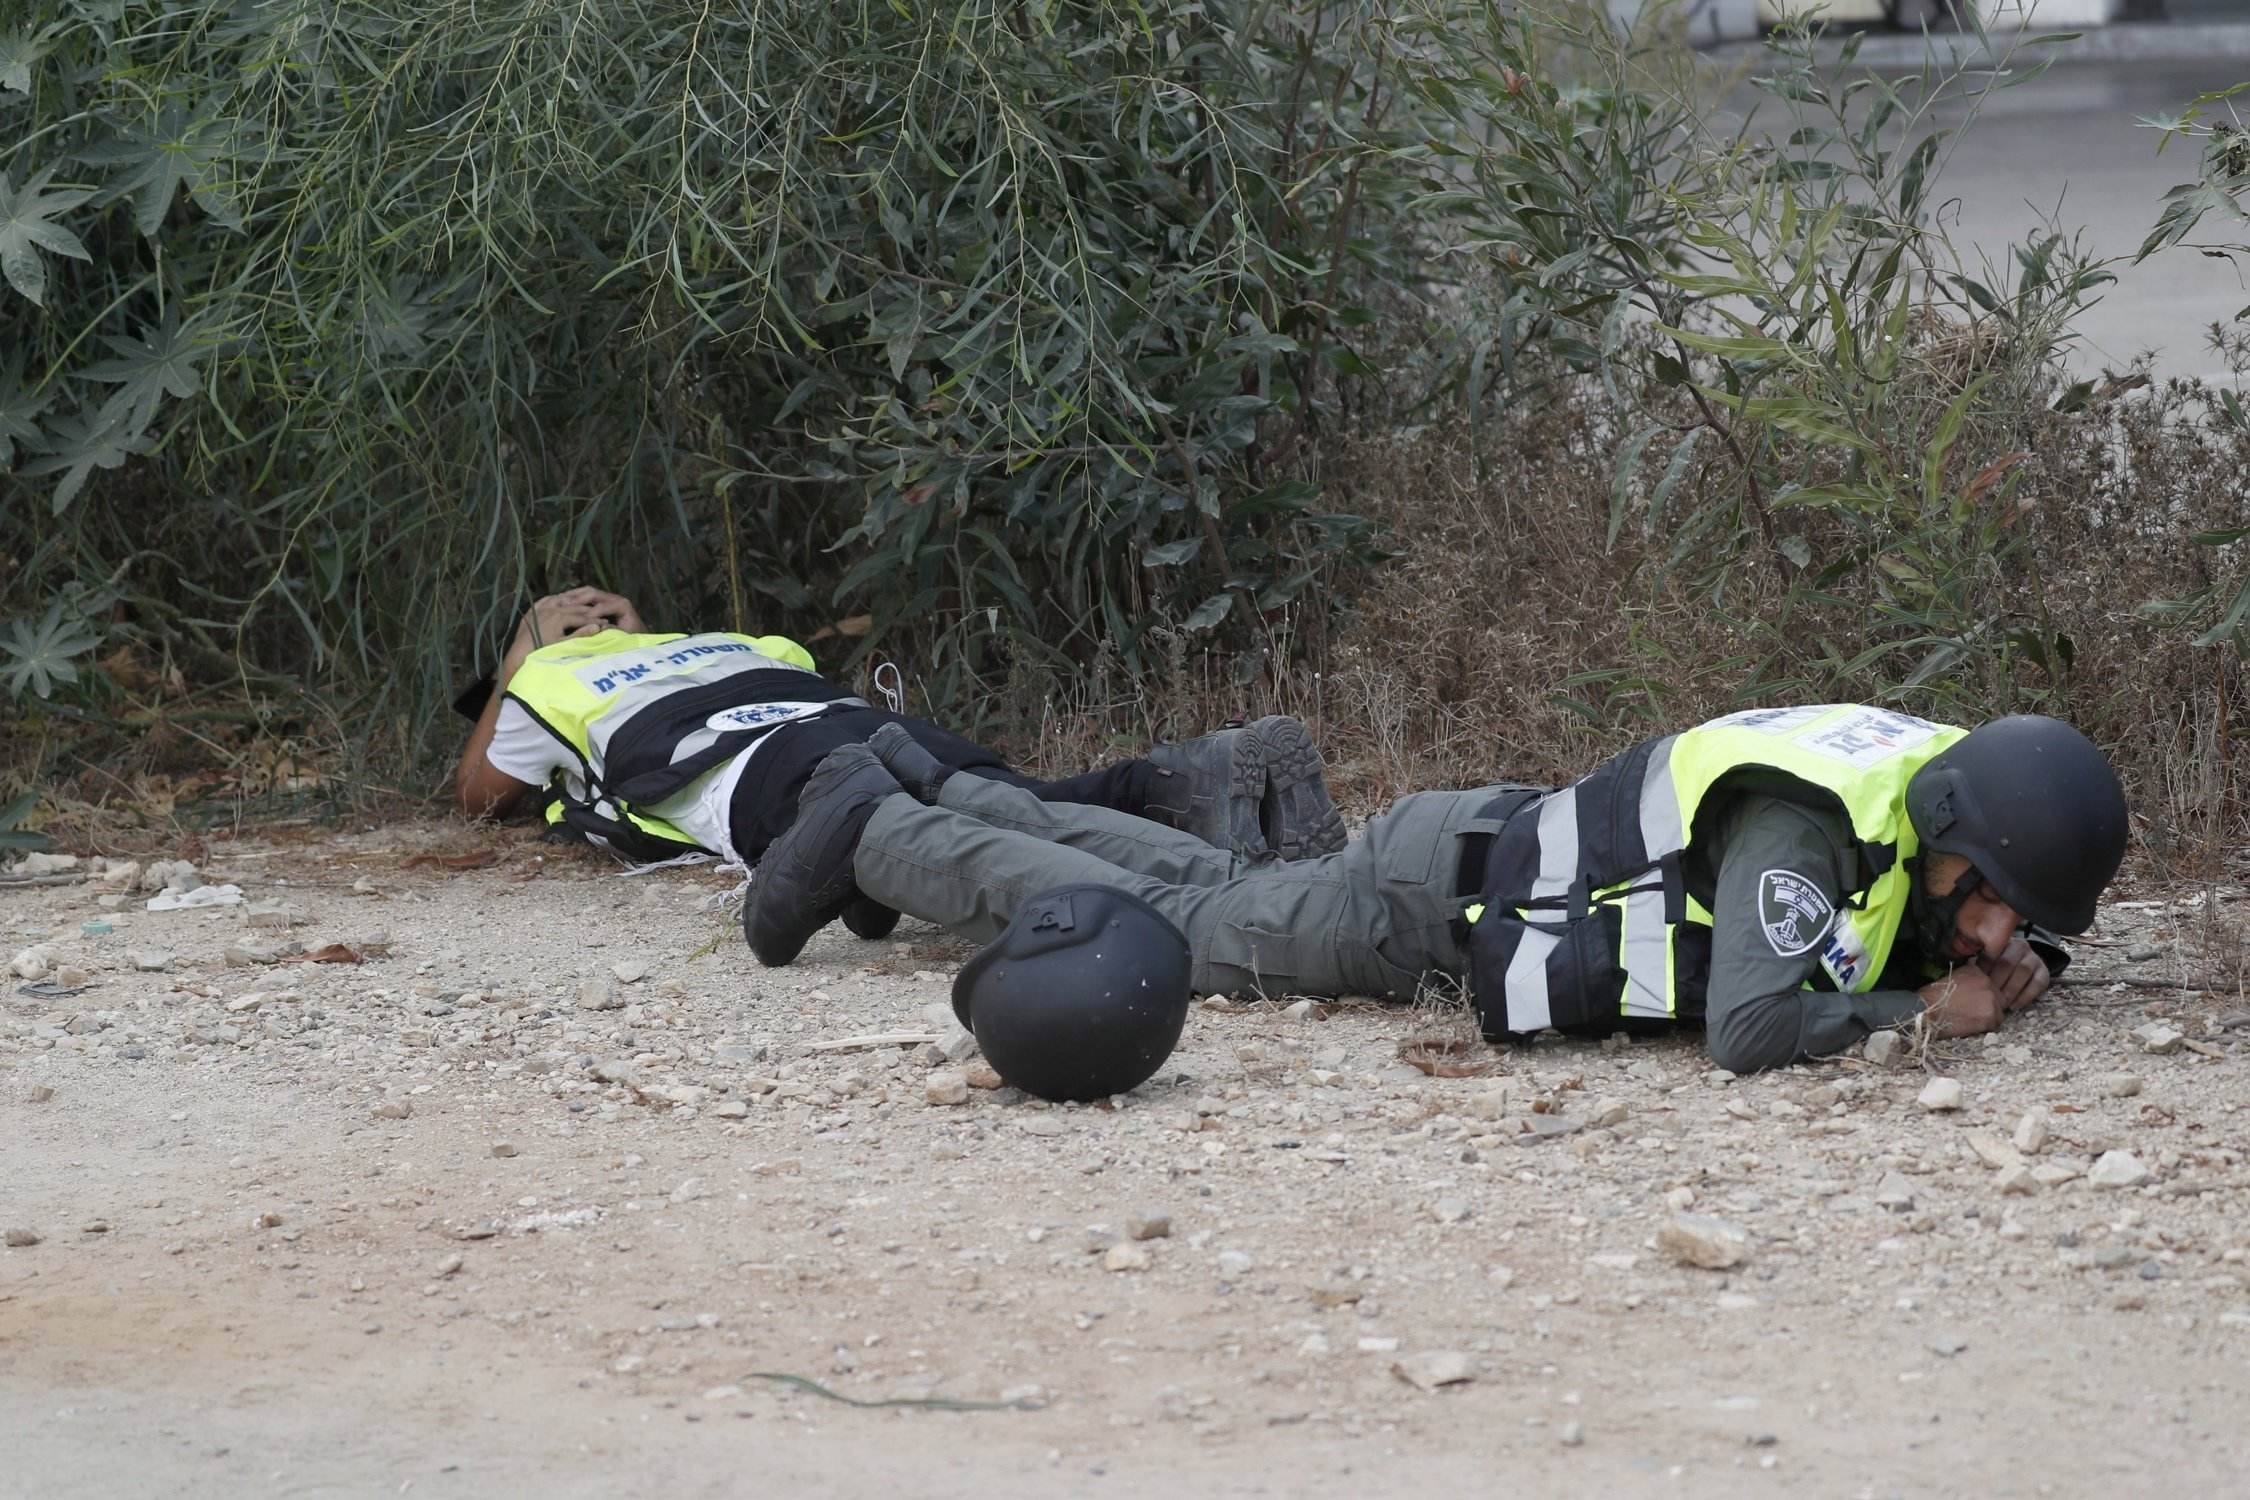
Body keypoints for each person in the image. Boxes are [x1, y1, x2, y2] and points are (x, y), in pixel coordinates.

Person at [744, 703, 2129, 1072]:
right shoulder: (1801, 840)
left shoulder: (1914, 794)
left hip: (1466, 853)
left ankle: (951, 795)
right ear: (1959, 825)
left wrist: (2016, 965)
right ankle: (873, 830)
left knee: (1206, 877)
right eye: (1996, 899)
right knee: (1186, 928)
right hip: (1434, 908)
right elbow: (1754, 1029)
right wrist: (1920, 1018)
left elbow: (1910, 923)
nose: (1992, 925)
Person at [452, 587, 1346, 935]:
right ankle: (1167, 784)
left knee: (940, 838)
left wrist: (521, 656)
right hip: (866, 724)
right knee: (1008, 801)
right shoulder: (734, 641)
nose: (588, 619)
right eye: (574, 616)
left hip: (760, 765)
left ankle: (1203, 908)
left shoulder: (548, 682)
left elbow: (480, 794)